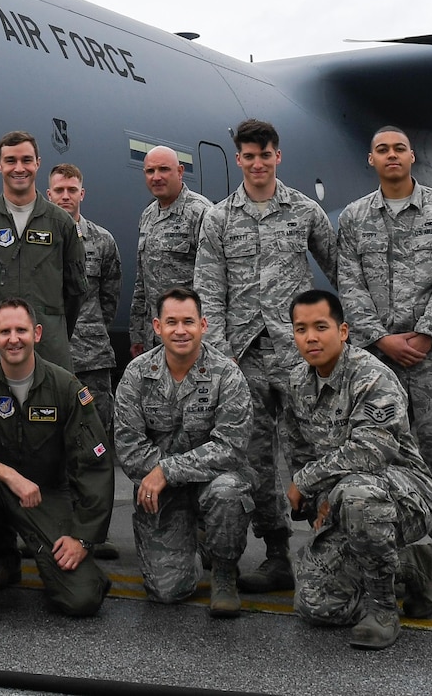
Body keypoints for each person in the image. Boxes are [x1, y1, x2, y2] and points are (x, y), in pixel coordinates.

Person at [193, 117, 339, 595]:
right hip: (242, 356)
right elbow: (208, 289)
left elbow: (340, 267)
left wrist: (343, 334)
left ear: (278, 156)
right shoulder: (218, 218)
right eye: (249, 156)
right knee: (252, 458)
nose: (258, 163)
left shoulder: (304, 210)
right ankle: (276, 552)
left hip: (300, 353)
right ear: (238, 160)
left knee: (313, 450)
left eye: (266, 155)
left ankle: (329, 550)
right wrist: (218, 354)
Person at [333, 125, 432, 603]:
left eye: (398, 148)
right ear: (370, 160)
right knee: (379, 458)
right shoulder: (354, 218)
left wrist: (426, 332)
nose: (391, 155)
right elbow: (349, 284)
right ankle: (390, 561)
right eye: (382, 150)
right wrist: (381, 339)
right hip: (376, 363)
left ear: (412, 157)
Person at [278, 289, 432, 649]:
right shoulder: (296, 383)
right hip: (345, 498)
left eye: (321, 326)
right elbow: (298, 450)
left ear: (344, 331)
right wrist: (316, 499)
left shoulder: (372, 377)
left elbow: (370, 451)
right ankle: (411, 564)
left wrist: (306, 483)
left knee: (356, 494)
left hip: (403, 493)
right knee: (316, 606)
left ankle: (383, 608)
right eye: (301, 329)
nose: (310, 337)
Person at [0, 299, 113, 620]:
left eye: (21, 330)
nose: (13, 338)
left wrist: (84, 537)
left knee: (81, 601)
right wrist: (7, 475)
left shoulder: (65, 387)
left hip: (46, 496)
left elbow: (94, 465)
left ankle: (86, 574)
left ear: (37, 334)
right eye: (5, 331)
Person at [111, 286, 253, 617]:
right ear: (157, 327)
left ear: (203, 325)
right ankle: (193, 538)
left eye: (188, 321)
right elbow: (130, 448)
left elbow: (231, 446)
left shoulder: (226, 374)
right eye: (171, 322)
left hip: (211, 482)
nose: (180, 330)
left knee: (228, 491)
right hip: (161, 493)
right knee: (166, 592)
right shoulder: (137, 374)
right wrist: (161, 476)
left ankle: (223, 571)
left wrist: (167, 471)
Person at [0, 132, 88, 374]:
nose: (19, 168)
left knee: (52, 408)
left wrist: (51, 325)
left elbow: (76, 291)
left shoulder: (62, 224)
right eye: (11, 161)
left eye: (27, 160)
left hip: (49, 350)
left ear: (38, 163)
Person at [48, 162, 123, 559]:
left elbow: (109, 295)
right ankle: (53, 527)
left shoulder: (103, 241)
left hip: (92, 358)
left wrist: (90, 329)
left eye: (72, 189)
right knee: (49, 446)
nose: (65, 195)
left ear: (82, 193)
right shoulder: (36, 238)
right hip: (48, 359)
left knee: (95, 446)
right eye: (58, 189)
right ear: (49, 194)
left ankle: (95, 532)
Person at [130, 145, 214, 357]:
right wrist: (137, 334)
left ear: (180, 171)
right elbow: (142, 281)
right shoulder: (148, 216)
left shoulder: (201, 212)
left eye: (164, 169)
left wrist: (211, 335)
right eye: (150, 171)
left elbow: (214, 281)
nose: (156, 177)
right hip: (154, 337)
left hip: (188, 335)